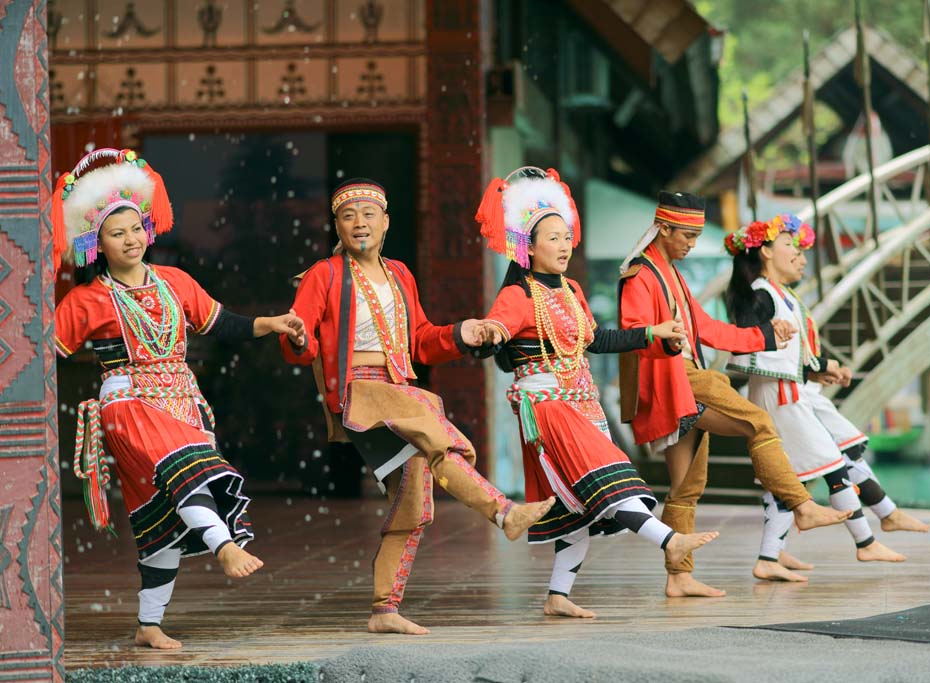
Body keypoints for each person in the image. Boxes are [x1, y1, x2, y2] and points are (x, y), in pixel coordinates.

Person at [53, 148, 305, 649]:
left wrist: (271, 322)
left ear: (148, 229)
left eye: (135, 229)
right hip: (126, 404)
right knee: (186, 468)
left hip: (182, 400)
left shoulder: (176, 282)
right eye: (115, 233)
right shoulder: (86, 300)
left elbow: (221, 323)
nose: (129, 239)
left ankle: (149, 624)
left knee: (160, 515)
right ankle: (224, 545)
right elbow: (45, 355)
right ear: (96, 242)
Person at [281, 177, 554, 636]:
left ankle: (383, 609)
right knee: (436, 433)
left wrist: (462, 332)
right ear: (338, 226)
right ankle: (503, 512)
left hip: (399, 389)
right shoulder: (324, 275)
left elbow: (420, 343)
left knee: (414, 497)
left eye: (369, 214)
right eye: (348, 217)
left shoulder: (400, 274)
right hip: (361, 391)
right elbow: (302, 343)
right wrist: (295, 336)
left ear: (386, 223)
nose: (359, 223)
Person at [475, 167, 719, 619]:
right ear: (528, 247)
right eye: (552, 238)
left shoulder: (572, 290)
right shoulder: (516, 295)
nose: (565, 245)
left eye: (567, 236)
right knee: (611, 477)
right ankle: (670, 541)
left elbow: (595, 340)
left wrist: (651, 333)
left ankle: (557, 596)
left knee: (582, 503)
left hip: (584, 405)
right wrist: (487, 335)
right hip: (547, 408)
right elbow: (496, 337)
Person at [617, 192, 852, 598]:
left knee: (686, 486)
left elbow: (707, 328)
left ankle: (679, 577)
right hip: (678, 378)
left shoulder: (669, 272)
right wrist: (666, 342)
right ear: (664, 228)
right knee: (759, 422)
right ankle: (801, 505)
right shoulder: (642, 275)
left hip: (680, 378)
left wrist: (764, 335)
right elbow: (633, 331)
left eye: (696, 236)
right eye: (686, 235)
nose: (691, 243)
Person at [724, 213, 930, 581]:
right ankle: (868, 539)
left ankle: (770, 557)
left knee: (793, 478)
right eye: (791, 247)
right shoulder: (759, 295)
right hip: (782, 395)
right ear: (766, 252)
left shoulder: (779, 295)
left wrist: (818, 366)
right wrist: (807, 361)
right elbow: (746, 351)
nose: (801, 257)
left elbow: (788, 352)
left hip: (792, 391)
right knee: (833, 463)